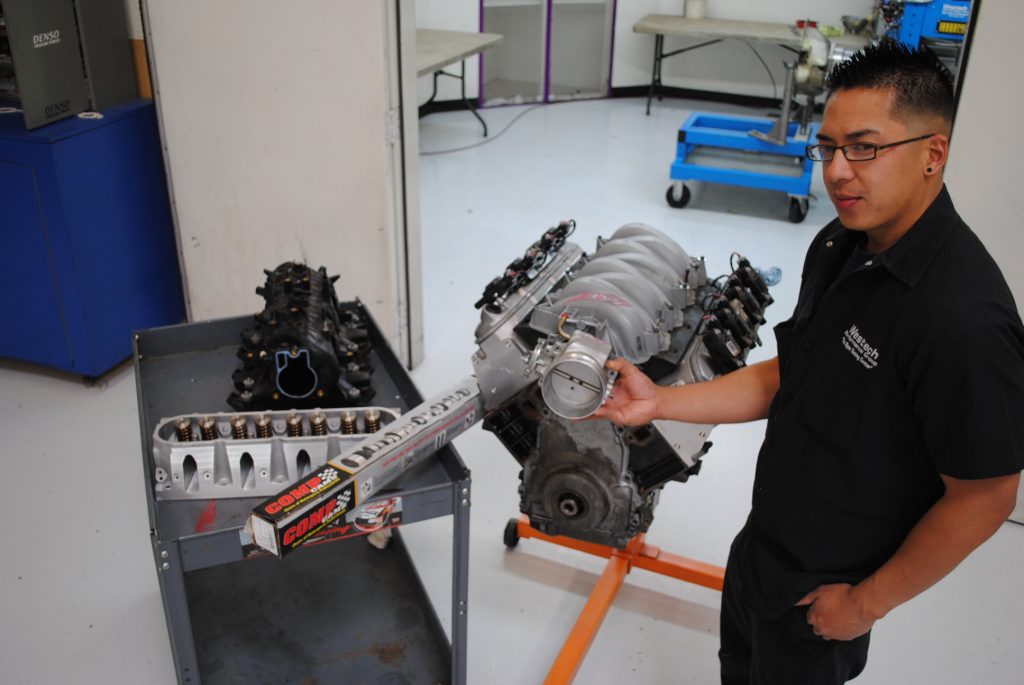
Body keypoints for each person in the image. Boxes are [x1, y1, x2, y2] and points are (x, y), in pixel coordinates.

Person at [593, 41, 1024, 684]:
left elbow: (986, 496)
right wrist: (662, 402)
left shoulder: (962, 318)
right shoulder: (841, 242)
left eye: (865, 147)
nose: (838, 172)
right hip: (762, 545)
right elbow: (791, 372)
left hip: (824, 593)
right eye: (828, 147)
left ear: (934, 153)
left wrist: (862, 605)